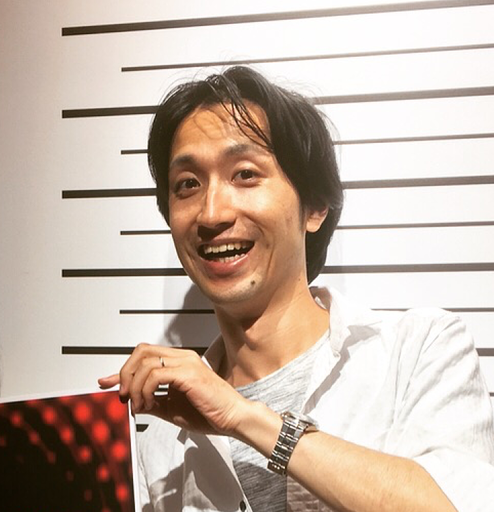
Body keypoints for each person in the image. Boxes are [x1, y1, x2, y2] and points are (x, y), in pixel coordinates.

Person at [99, 66, 494, 512]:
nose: (211, 213)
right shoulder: (161, 438)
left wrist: (245, 418)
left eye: (245, 174)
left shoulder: (419, 351)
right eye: (187, 184)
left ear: (315, 206)